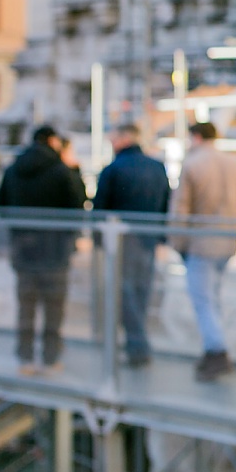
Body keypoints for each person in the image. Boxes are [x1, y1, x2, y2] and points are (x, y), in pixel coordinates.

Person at [0, 125, 87, 375]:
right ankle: (50, 358)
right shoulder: (61, 171)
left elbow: (1, 206)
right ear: (52, 141)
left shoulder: (13, 169)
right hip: (55, 252)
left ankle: (24, 358)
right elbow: (77, 206)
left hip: (23, 250)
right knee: (54, 307)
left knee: (26, 306)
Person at [170, 122, 236, 382]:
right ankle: (213, 347)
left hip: (201, 241)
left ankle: (217, 351)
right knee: (213, 297)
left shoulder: (193, 164)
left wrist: (176, 242)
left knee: (203, 299)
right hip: (228, 239)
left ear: (196, 137)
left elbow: (180, 209)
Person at [92, 123, 171, 369]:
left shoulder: (113, 169)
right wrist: (161, 237)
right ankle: (137, 344)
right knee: (141, 291)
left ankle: (137, 346)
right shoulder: (157, 167)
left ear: (124, 138)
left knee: (124, 292)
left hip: (122, 240)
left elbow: (100, 209)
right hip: (147, 238)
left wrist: (98, 241)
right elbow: (166, 203)